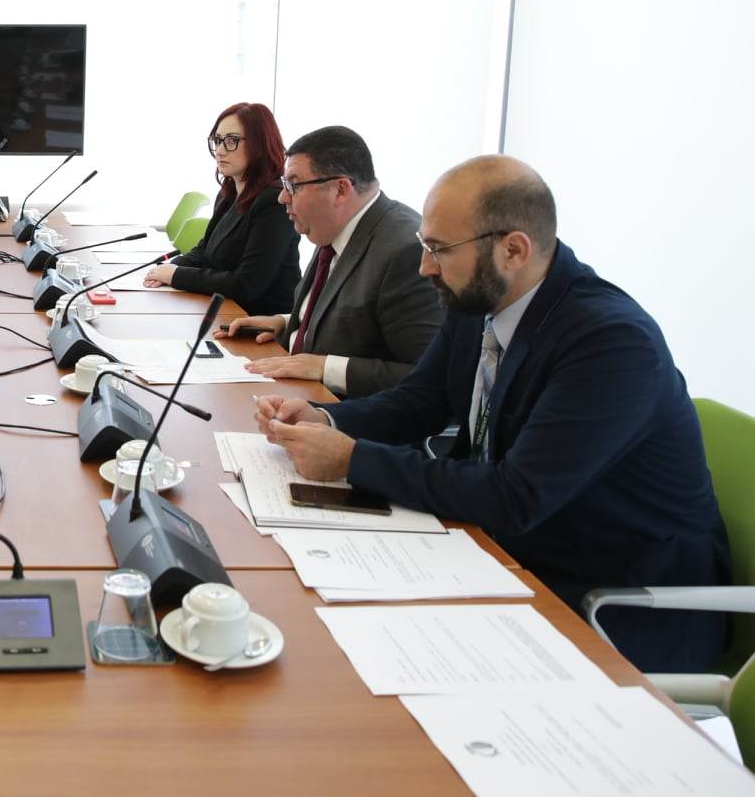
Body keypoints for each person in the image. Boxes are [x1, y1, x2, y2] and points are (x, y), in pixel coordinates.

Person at [255, 155, 730, 672]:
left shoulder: (611, 343)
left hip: (609, 598)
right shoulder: (480, 297)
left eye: (439, 250)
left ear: (513, 250)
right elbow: (419, 401)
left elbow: (516, 497)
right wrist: (326, 420)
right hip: (502, 553)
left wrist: (352, 460)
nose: (425, 267)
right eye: (424, 245)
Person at [214, 126, 441, 397]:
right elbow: (353, 318)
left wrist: (324, 367)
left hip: (342, 412)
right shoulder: (333, 227)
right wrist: (286, 323)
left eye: (293, 185)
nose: (282, 197)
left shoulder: (404, 251)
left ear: (340, 190)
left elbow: (426, 378)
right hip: (296, 392)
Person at [143, 102, 300, 314]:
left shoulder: (275, 202)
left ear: (260, 145)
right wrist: (167, 269)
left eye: (232, 141)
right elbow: (205, 250)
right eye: (217, 140)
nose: (219, 150)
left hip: (259, 323)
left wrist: (175, 275)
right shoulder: (229, 192)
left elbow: (245, 284)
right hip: (223, 313)